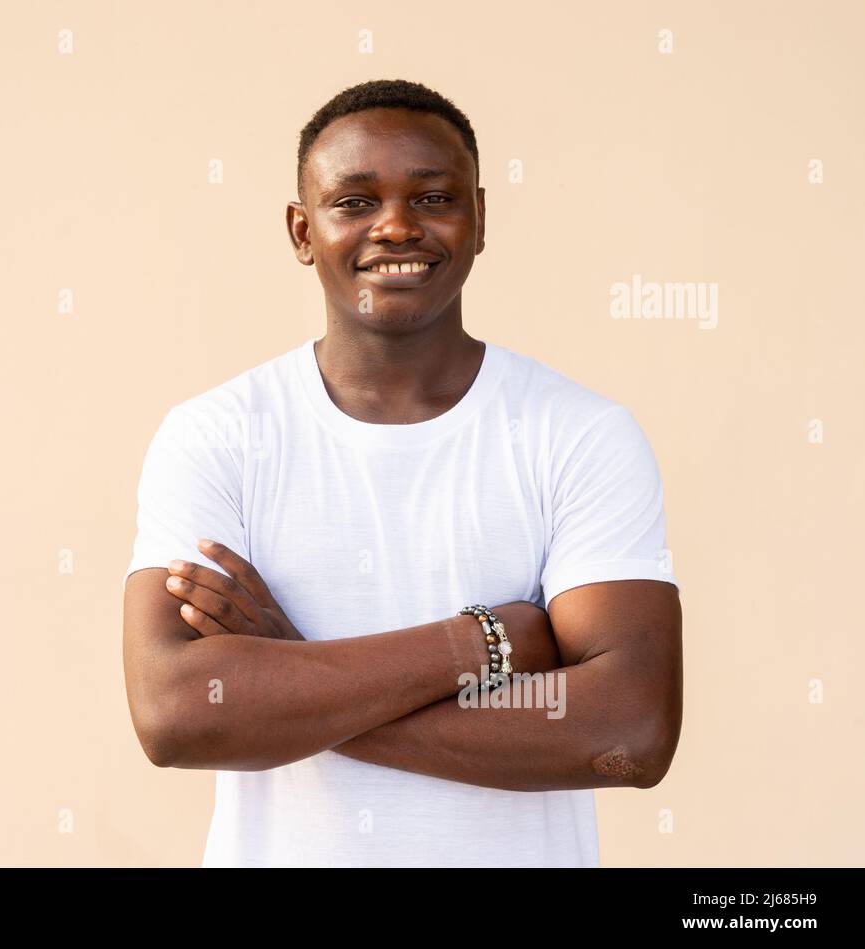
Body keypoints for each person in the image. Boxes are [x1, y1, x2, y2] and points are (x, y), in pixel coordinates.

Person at [121, 78, 682, 867]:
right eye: (353, 202)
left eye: (433, 197)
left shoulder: (580, 434)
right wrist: (483, 643)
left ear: (479, 219)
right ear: (301, 229)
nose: (395, 226)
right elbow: (177, 716)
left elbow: (627, 733)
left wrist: (292, 674)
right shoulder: (217, 435)